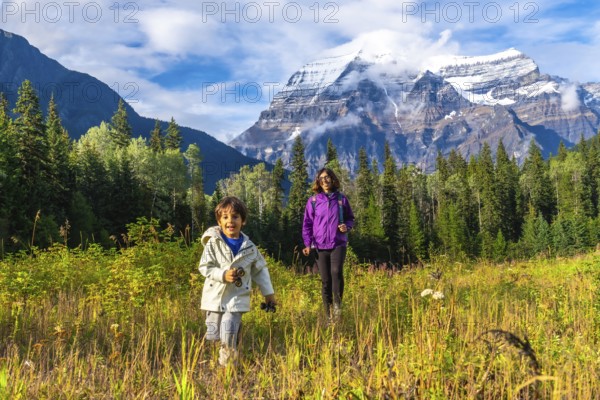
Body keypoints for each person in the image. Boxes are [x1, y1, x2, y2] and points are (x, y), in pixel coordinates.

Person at [198, 196, 276, 366]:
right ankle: (226, 346)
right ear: (219, 221)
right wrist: (222, 275)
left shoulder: (250, 248)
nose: (230, 221)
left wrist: (268, 294)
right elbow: (205, 267)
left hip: (237, 297)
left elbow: (261, 270)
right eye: (225, 217)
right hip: (214, 297)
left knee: (228, 332)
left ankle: (229, 368)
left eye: (235, 217)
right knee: (213, 335)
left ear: (243, 220)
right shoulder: (213, 244)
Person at [302, 167, 355, 321]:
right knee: (325, 280)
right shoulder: (312, 201)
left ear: (333, 179)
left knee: (336, 272)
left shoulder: (341, 199)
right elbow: (307, 224)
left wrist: (347, 226)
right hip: (319, 246)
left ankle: (337, 310)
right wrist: (307, 243)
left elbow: (350, 218)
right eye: (321, 178)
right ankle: (328, 314)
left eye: (327, 177)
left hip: (338, 242)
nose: (324, 181)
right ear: (318, 182)